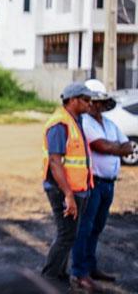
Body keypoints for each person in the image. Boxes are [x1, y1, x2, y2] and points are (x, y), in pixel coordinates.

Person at [70, 79, 133, 290]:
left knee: (96, 228)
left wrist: (118, 147)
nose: (97, 105)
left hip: (108, 184)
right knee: (85, 229)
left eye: (101, 101)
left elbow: (128, 145)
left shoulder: (109, 124)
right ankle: (79, 273)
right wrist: (117, 147)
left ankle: (90, 267)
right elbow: (102, 146)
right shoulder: (85, 123)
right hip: (93, 184)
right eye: (94, 101)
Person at [40, 82, 95, 286]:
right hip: (63, 191)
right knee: (65, 237)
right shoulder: (59, 124)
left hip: (76, 190)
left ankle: (59, 280)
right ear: (73, 100)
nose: (90, 104)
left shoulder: (75, 120)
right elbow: (55, 162)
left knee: (69, 237)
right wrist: (68, 195)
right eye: (86, 100)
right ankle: (48, 281)